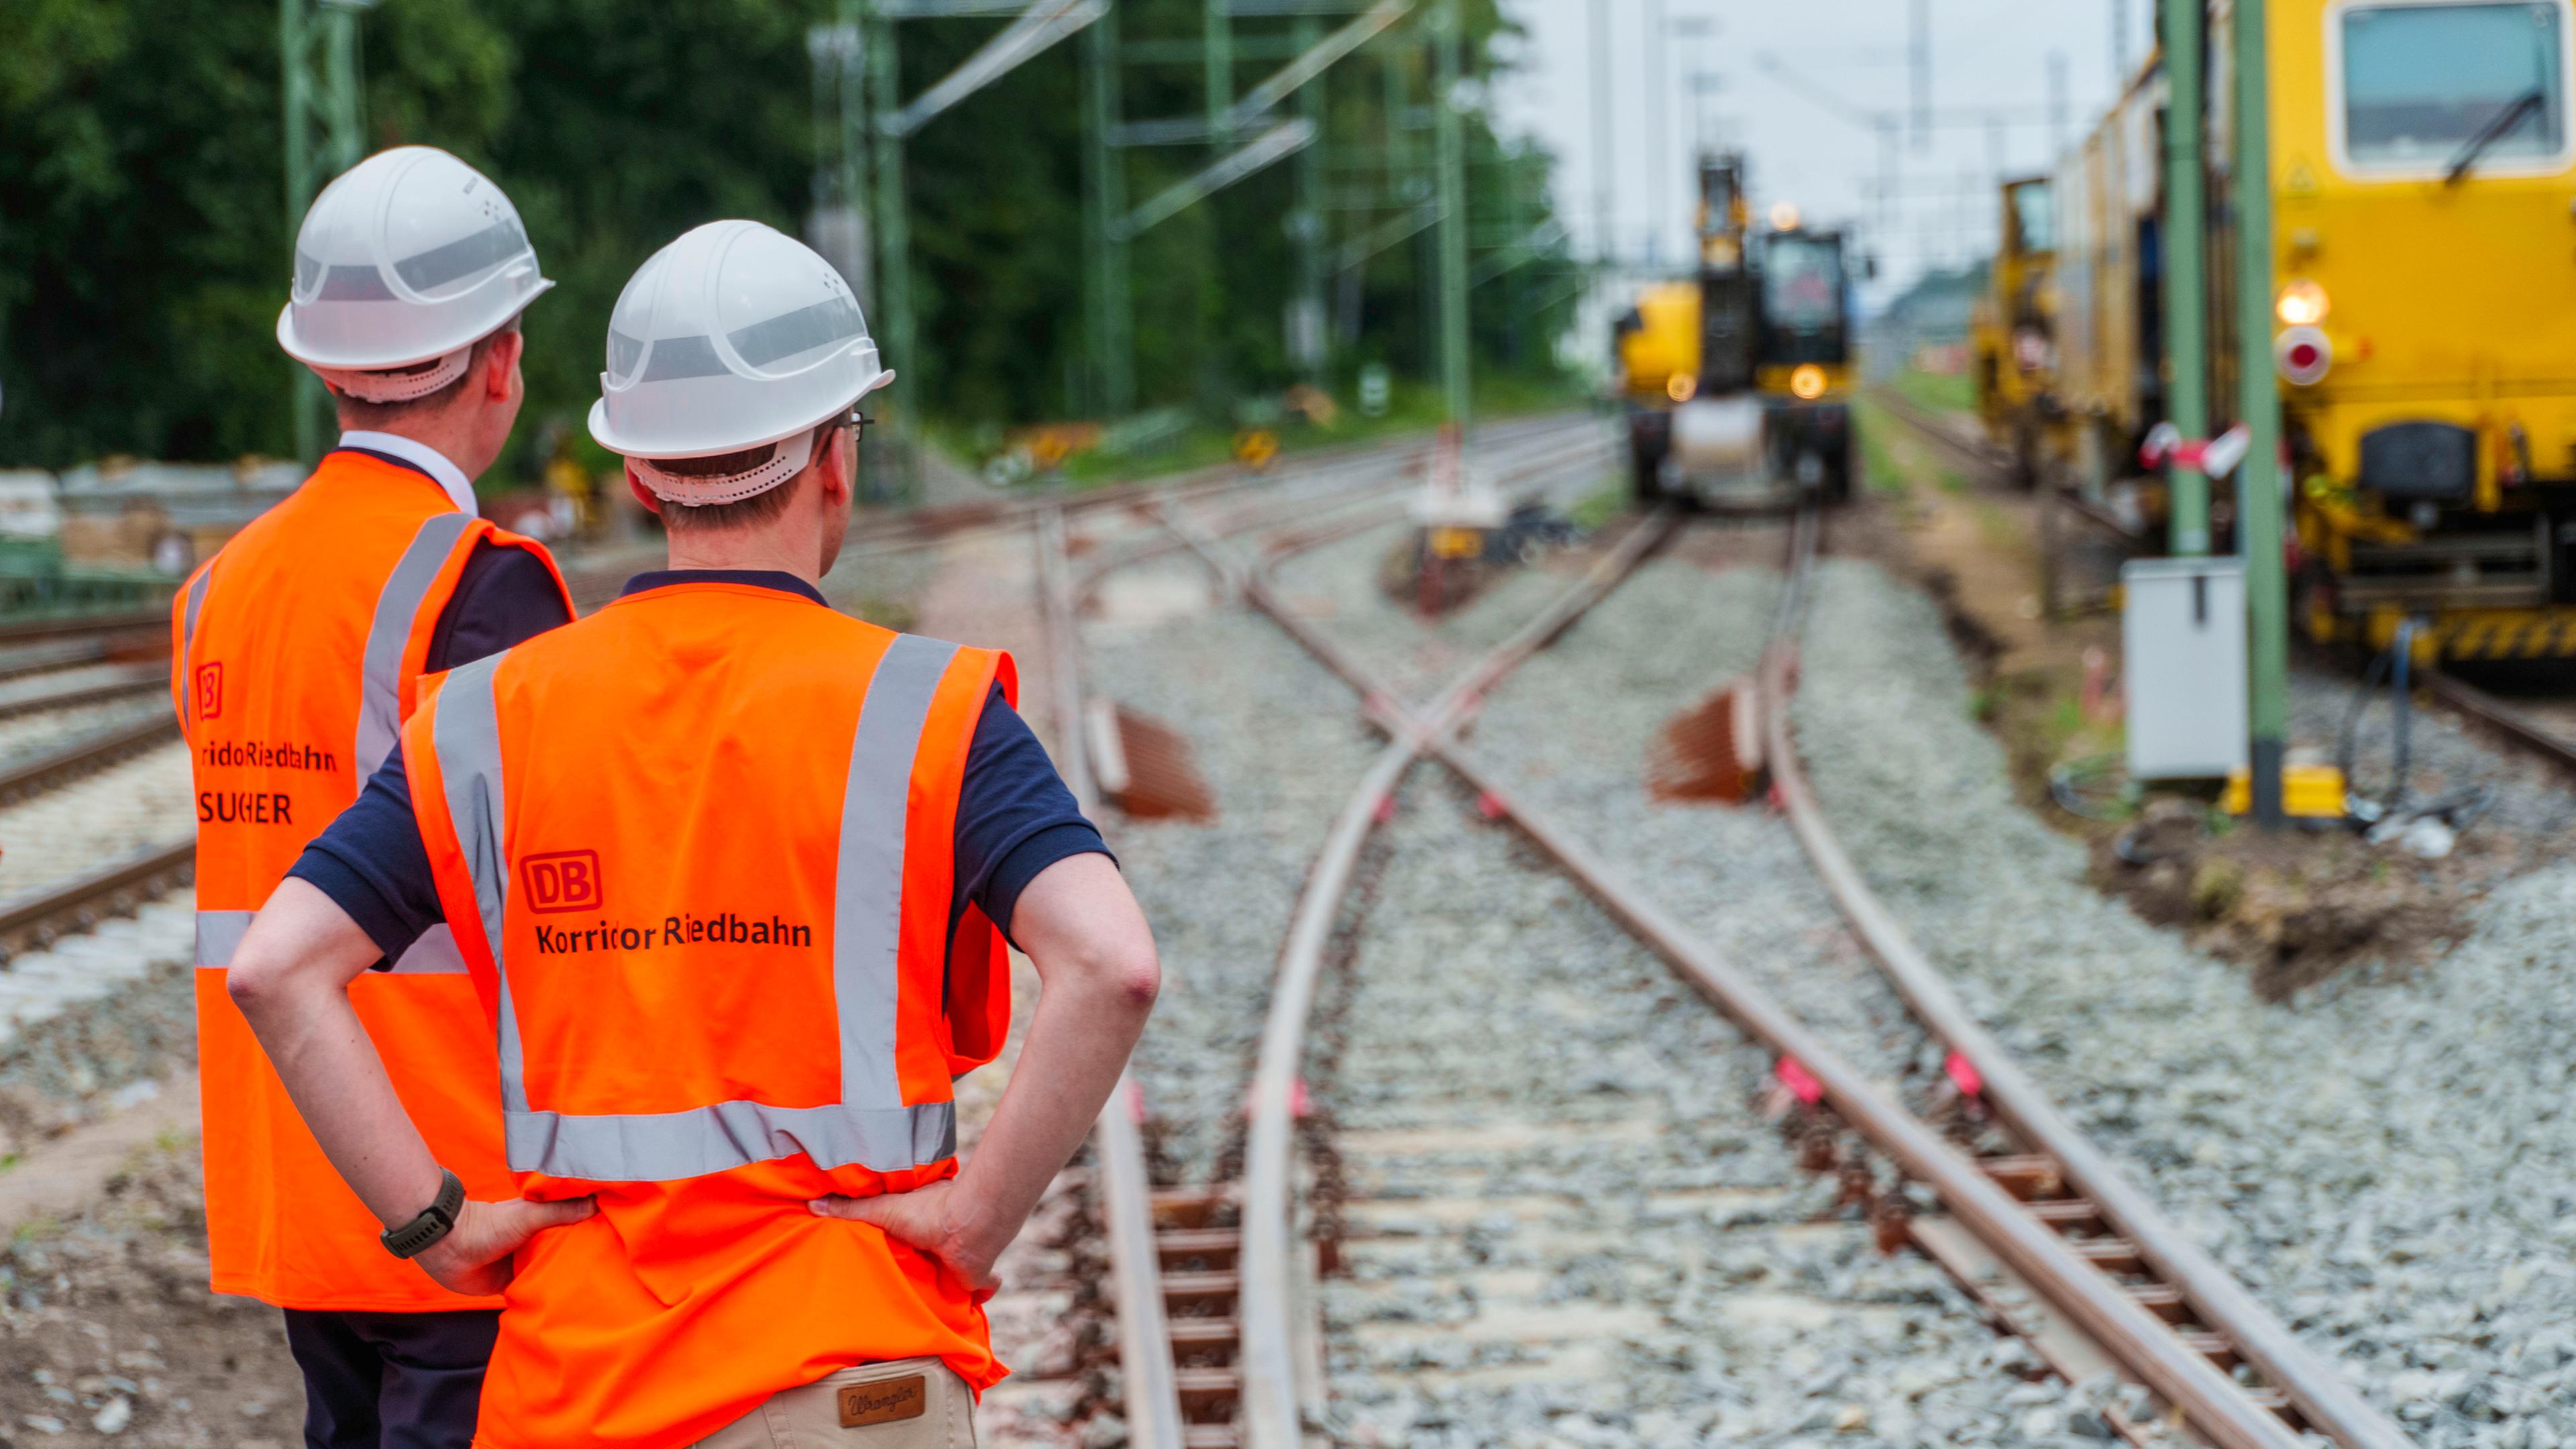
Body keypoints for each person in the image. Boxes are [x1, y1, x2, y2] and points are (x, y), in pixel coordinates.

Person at [225, 220, 1161, 1449]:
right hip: (849, 1371)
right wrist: (977, 1220)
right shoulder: (928, 709)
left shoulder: (486, 721)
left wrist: (434, 1228)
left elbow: (277, 967)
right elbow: (1112, 963)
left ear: (637, 474)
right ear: (835, 458)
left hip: (579, 1390)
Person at [176, 145, 574, 1449]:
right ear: (502, 360)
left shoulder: (219, 588)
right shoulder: (484, 586)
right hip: (456, 1187)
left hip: (297, 1178)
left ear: (321, 365)